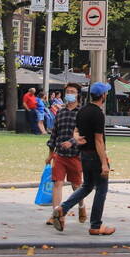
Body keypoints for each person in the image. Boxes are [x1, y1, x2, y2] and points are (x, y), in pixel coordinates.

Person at [49, 82, 115, 235]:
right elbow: (99, 140)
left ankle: (62, 209)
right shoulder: (98, 113)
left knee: (87, 186)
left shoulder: (82, 111)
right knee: (101, 189)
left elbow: (77, 132)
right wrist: (104, 163)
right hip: (95, 156)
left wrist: (74, 140)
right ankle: (95, 225)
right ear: (103, 95)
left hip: (83, 155)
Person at [46, 83, 87, 226]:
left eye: (72, 91)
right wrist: (50, 153)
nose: (69, 93)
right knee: (57, 183)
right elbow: (54, 134)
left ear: (78, 95)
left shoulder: (82, 112)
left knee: (76, 186)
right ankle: (57, 215)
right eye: (67, 91)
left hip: (76, 155)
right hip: (60, 155)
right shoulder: (60, 112)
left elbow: (83, 134)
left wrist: (71, 142)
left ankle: (82, 207)